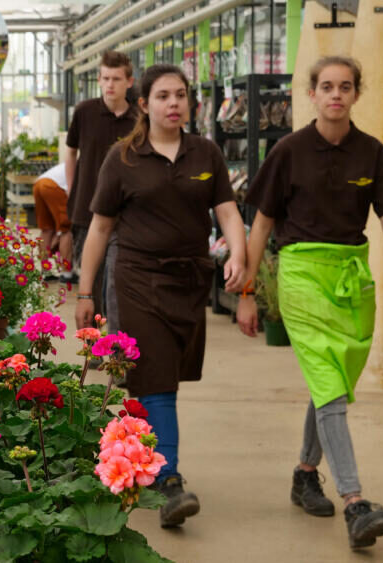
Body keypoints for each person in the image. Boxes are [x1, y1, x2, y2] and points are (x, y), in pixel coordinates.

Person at [236, 56, 383, 549]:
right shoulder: (289, 151)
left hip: (351, 279)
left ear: (356, 94)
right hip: (300, 276)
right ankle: (355, 501)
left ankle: (303, 472)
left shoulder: (372, 153)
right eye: (326, 86)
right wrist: (248, 294)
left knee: (332, 382)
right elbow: (261, 225)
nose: (335, 94)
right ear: (311, 94)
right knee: (330, 387)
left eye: (345, 86)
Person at [75, 64, 247, 529]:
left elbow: (228, 212)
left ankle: (131, 460)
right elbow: (100, 228)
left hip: (189, 280)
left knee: (159, 377)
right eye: (164, 96)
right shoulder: (124, 158)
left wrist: (238, 253)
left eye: (181, 95)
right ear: (145, 104)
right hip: (135, 279)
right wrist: (85, 291)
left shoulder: (205, 153)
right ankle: (168, 479)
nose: (174, 103)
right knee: (158, 380)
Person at [65, 51, 138, 334]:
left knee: (117, 282)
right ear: (98, 79)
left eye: (117, 79)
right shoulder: (84, 112)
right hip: (86, 209)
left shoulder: (139, 117)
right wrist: (73, 188)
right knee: (90, 280)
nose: (110, 84)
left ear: (129, 82)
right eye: (105, 78)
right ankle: (92, 347)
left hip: (125, 215)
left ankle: (118, 347)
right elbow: (71, 152)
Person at [32, 162, 74, 281]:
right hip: (54, 186)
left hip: (39, 183)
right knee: (66, 229)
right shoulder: (88, 167)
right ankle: (67, 274)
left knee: (46, 229)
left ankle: (45, 270)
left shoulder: (76, 162)